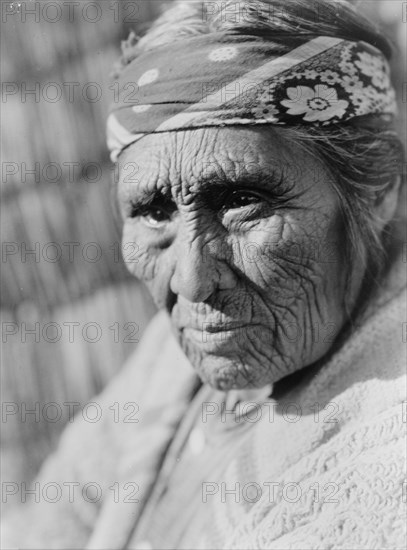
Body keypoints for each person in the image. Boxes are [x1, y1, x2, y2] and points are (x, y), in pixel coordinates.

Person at [3, 1, 406, 548]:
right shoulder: (176, 353)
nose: (192, 280)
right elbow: (60, 513)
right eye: (153, 210)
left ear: (379, 189)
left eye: (243, 200)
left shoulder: (382, 454)